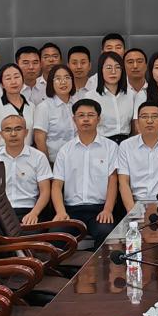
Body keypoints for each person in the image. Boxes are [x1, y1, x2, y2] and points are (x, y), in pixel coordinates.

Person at [51, 99, 119, 242]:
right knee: (56, 236)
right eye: (81, 115)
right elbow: (56, 185)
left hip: (99, 209)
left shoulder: (111, 147)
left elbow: (113, 181)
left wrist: (108, 210)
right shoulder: (65, 150)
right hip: (71, 210)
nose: (86, 119)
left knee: (106, 234)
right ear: (74, 119)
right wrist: (61, 212)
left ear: (98, 119)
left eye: (91, 115)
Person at [116, 101, 158, 212]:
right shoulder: (126, 146)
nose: (149, 121)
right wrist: (133, 212)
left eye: (154, 116)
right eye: (144, 117)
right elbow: (123, 182)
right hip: (136, 203)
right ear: (137, 123)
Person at [0, 113, 53, 224]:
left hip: (29, 210)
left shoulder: (39, 157)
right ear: (1, 134)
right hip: (0, 212)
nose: (13, 134)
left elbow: (45, 191)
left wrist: (34, 213)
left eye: (18, 129)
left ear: (26, 132)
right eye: (8, 130)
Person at [33, 64, 77, 161]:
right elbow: (39, 139)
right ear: (51, 83)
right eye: (58, 79)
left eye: (67, 78)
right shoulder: (44, 107)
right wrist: (46, 165)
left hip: (77, 159)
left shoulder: (77, 104)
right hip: (54, 161)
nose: (63, 82)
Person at [0, 63, 34, 151]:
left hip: (28, 155)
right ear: (2, 84)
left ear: (23, 80)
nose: (13, 82)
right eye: (8, 78)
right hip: (3, 156)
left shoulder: (31, 106)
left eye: (17, 77)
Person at [92, 51, 136, 144]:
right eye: (108, 67)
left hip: (126, 143)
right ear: (101, 70)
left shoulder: (131, 95)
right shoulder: (91, 96)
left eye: (117, 67)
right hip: (102, 143)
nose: (113, 71)